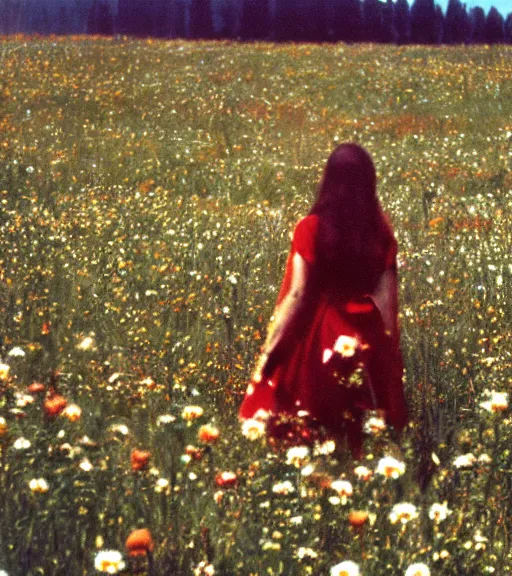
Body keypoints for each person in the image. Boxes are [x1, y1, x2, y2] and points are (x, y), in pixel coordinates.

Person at [239, 143, 408, 459]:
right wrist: (386, 363)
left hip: (320, 340)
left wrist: (271, 352)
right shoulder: (381, 233)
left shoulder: (311, 227)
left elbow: (298, 295)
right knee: (359, 433)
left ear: (327, 180)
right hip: (365, 336)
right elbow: (388, 305)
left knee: (310, 432)